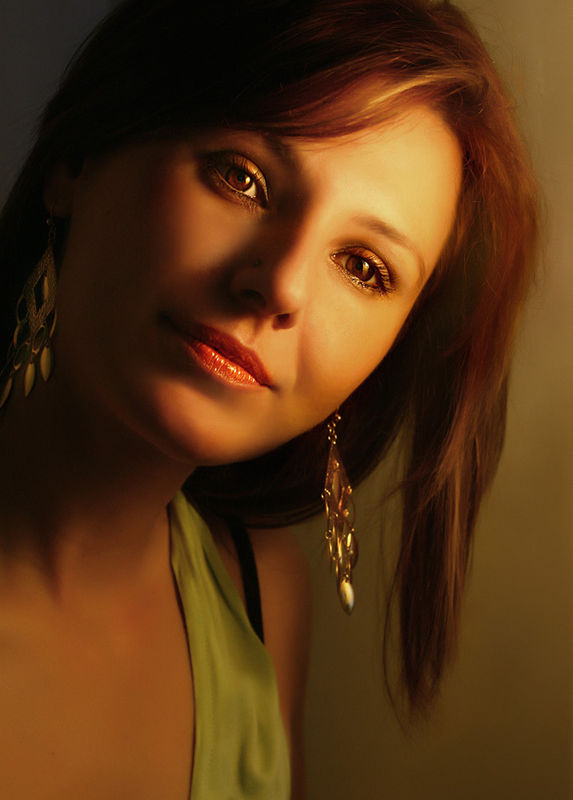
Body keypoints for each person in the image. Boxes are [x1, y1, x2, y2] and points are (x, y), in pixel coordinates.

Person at [0, 0, 537, 797]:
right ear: (77, 163)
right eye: (242, 178)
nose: (280, 283)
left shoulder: (263, 604)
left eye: (362, 267)